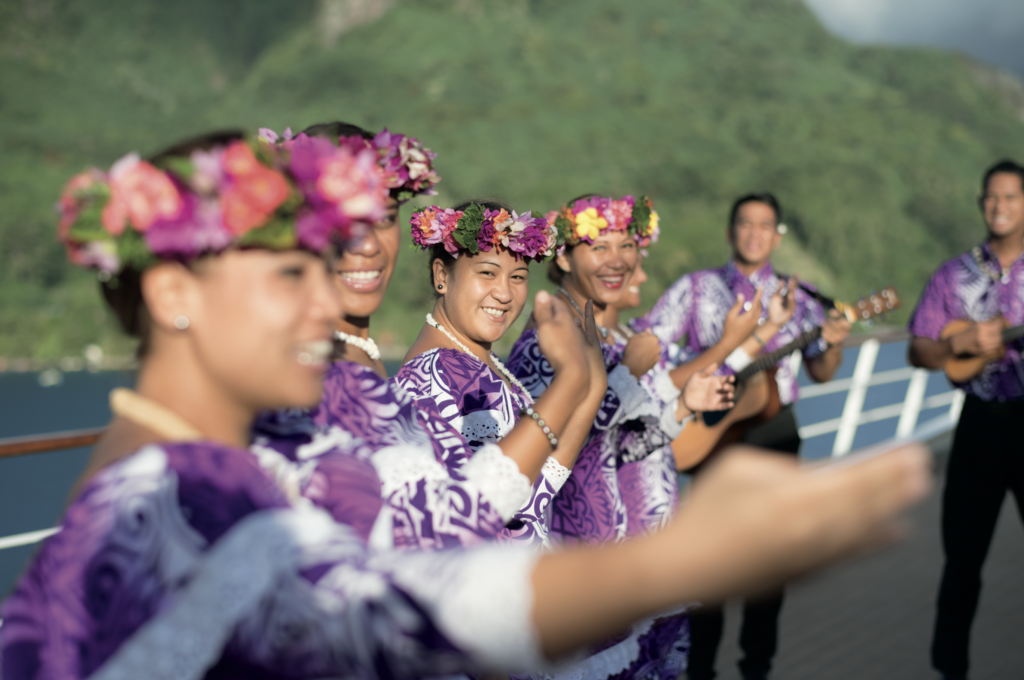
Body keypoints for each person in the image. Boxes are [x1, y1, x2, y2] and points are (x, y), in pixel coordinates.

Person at [0, 132, 930, 680]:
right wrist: (681, 558)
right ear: (173, 297)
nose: (331, 303)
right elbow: (409, 598)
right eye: (293, 273)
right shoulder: (160, 498)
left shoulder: (203, 462)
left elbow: (439, 526)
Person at [252, 124, 538, 551]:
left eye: (384, 216)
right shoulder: (298, 377)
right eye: (340, 218)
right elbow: (453, 530)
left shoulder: (358, 363)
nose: (366, 244)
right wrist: (573, 393)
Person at [506, 194, 734, 680]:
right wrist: (628, 375)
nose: (618, 260)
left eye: (627, 244)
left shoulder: (594, 332)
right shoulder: (547, 338)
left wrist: (683, 406)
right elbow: (551, 447)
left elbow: (618, 446)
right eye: (599, 246)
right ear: (563, 256)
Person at [637, 193, 852, 680]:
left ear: (778, 236)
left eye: (765, 226)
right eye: (745, 224)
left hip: (777, 432)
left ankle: (758, 668)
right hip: (715, 433)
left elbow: (822, 369)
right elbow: (647, 344)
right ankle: (700, 669)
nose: (755, 233)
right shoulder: (695, 289)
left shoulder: (802, 298)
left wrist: (832, 343)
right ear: (731, 231)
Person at [393, 199, 610, 547]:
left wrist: (592, 387)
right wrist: (581, 382)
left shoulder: (473, 364)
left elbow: (532, 480)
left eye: (519, 277)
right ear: (441, 276)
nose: (505, 293)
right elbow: (505, 506)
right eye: (487, 273)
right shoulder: (446, 369)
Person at [907, 159, 1024, 680]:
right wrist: (962, 341)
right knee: (961, 563)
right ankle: (949, 669)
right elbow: (919, 348)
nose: (1000, 206)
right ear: (982, 204)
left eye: (1011, 197)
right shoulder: (954, 274)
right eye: (991, 197)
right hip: (978, 425)